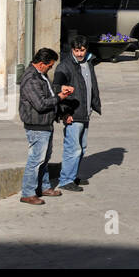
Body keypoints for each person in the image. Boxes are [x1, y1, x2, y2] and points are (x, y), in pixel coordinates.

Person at [19, 49, 73, 205]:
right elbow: (41, 104)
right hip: (36, 125)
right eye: (50, 66)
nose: (51, 69)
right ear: (42, 64)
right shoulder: (31, 78)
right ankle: (28, 192)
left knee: (44, 158)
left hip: (45, 123)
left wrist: (59, 92)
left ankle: (44, 186)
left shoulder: (40, 75)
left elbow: (47, 94)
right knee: (36, 160)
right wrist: (60, 97)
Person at [53, 37, 101, 192]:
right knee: (73, 148)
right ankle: (66, 179)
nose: (79, 53)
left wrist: (94, 104)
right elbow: (57, 88)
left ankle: (72, 175)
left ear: (86, 49)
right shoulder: (64, 66)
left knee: (82, 147)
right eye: (76, 50)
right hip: (73, 113)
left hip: (85, 112)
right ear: (72, 50)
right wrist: (64, 112)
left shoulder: (88, 62)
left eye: (82, 50)